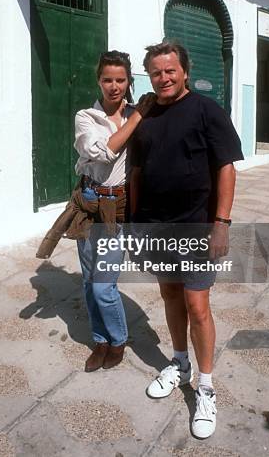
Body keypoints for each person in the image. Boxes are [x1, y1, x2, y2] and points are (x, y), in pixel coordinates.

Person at [130, 41, 243, 439]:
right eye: (156, 72)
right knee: (170, 297)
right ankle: (180, 363)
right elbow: (137, 174)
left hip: (196, 226)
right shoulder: (145, 117)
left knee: (197, 306)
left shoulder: (206, 110)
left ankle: (207, 386)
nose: (164, 78)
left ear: (185, 72)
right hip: (156, 226)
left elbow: (226, 168)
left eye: (170, 70)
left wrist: (222, 222)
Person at [74, 50, 155, 373]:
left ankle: (118, 339)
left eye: (120, 80)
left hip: (117, 208)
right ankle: (100, 340)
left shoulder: (141, 114)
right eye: (107, 79)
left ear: (129, 81)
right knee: (88, 280)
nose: (114, 86)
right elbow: (102, 153)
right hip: (88, 204)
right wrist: (136, 118)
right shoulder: (86, 117)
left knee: (103, 285)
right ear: (99, 81)